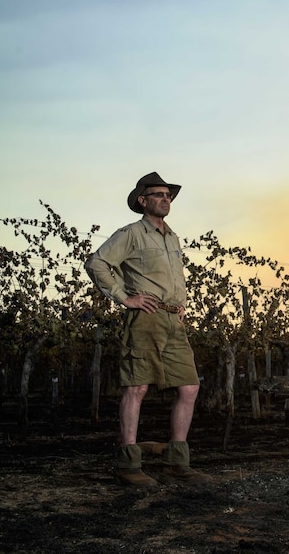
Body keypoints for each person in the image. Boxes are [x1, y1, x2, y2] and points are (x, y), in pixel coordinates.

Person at [86, 172, 210, 486]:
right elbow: (96, 263)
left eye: (168, 195)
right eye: (158, 194)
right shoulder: (131, 233)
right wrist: (124, 298)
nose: (165, 199)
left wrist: (180, 306)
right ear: (143, 200)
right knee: (136, 387)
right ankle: (128, 465)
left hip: (173, 320)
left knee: (189, 388)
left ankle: (176, 463)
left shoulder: (173, 238)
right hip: (145, 317)